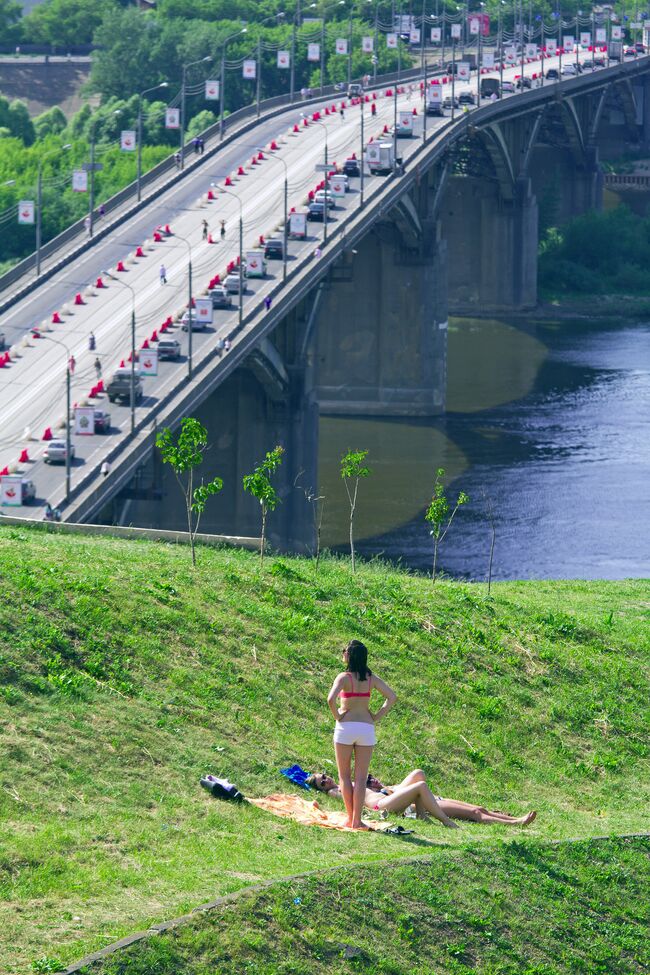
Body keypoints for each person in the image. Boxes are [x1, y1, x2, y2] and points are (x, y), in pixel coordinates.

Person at [308, 770, 536, 828]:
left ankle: (510, 817)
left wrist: (383, 786)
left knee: (478, 807)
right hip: (382, 805)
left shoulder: (347, 781)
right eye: (321, 782)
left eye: (324, 776)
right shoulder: (336, 791)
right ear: (322, 789)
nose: (326, 780)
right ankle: (515, 823)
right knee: (475, 814)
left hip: (391, 797)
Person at [327, 640, 396, 830]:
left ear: (348, 655)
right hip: (366, 727)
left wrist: (338, 715)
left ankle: (350, 819)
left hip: (346, 727)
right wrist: (376, 716)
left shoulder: (344, 677)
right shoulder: (370, 678)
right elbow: (392, 697)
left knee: (344, 776)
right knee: (360, 777)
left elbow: (330, 699)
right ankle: (358, 820)